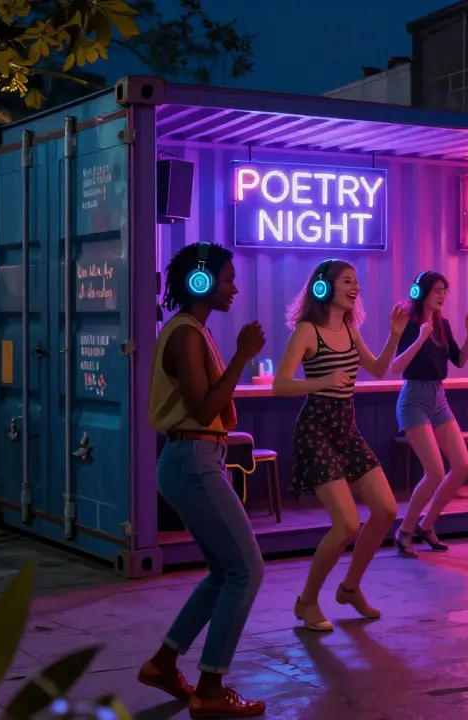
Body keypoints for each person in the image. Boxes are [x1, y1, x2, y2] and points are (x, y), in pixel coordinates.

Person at [139, 242, 267, 717]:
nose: (234, 287)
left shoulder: (192, 330)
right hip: (192, 457)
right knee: (247, 570)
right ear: (201, 281)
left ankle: (163, 663)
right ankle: (211, 689)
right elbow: (204, 407)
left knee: (224, 571)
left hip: (196, 457)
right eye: (228, 278)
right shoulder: (186, 334)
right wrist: (242, 356)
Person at [272, 259, 408, 632]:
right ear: (324, 287)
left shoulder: (349, 329)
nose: (355, 288)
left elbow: (379, 369)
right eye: (347, 281)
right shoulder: (307, 331)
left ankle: (349, 588)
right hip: (316, 429)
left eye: (356, 282)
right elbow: (280, 385)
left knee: (385, 510)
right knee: (347, 524)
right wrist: (323, 380)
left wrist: (395, 334)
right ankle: (307, 601)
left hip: (346, 428)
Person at [390, 270, 468, 556]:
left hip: (439, 397)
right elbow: (395, 367)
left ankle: (426, 525)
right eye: (438, 290)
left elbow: (460, 361)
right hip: (413, 398)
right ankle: (404, 530)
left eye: (445, 290)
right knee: (434, 471)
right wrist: (419, 339)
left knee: (463, 465)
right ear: (422, 292)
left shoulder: (443, 325)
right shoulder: (409, 323)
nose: (443, 295)